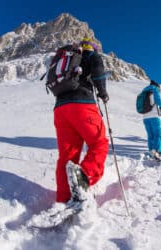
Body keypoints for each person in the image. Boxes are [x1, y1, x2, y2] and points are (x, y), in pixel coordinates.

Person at [53, 37, 109, 204]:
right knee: (99, 144)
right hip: (82, 105)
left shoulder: (67, 57)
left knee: (67, 155)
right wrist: (103, 92)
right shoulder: (91, 55)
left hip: (60, 109)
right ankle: (82, 181)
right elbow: (98, 72)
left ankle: (64, 198)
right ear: (91, 46)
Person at [142, 80, 161, 161]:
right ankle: (158, 152)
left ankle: (152, 152)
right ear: (157, 86)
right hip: (154, 117)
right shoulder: (154, 90)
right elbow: (159, 102)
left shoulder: (144, 92)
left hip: (145, 118)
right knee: (157, 135)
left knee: (150, 136)